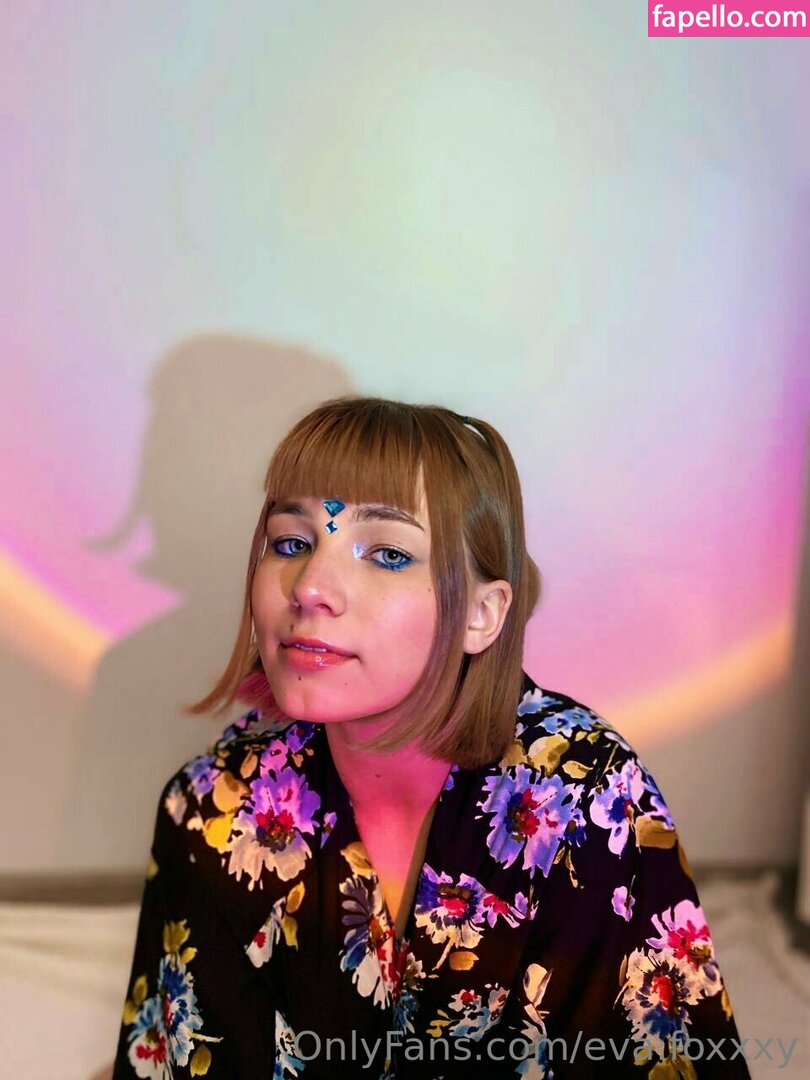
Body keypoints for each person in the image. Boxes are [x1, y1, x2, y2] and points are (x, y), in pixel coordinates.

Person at [112, 396, 751, 1079]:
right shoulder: (212, 808)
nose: (310, 587)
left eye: (388, 554)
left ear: (481, 613)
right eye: (291, 543)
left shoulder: (588, 802)